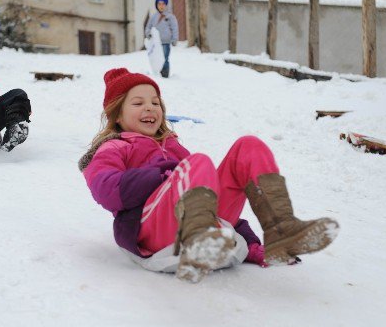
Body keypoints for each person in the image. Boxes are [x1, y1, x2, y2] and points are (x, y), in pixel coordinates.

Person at [79, 68, 339, 283]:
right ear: (117, 114)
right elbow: (106, 190)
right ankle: (196, 242)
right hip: (152, 229)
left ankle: (281, 228)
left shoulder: (174, 147)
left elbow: (207, 196)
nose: (150, 108)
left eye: (155, 102)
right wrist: (162, 176)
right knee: (199, 163)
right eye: (138, 103)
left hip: (193, 219)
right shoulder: (114, 146)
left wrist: (249, 245)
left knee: (248, 146)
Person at [144, 0, 179, 78]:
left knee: (165, 58)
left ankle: (165, 74)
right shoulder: (153, 17)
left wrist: (174, 39)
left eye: (163, 4)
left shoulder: (170, 17)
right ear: (156, 5)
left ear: (166, 5)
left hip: (165, 42)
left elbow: (174, 28)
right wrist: (148, 34)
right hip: (156, 43)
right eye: (159, 4)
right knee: (157, 58)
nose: (161, 6)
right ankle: (158, 73)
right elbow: (148, 27)